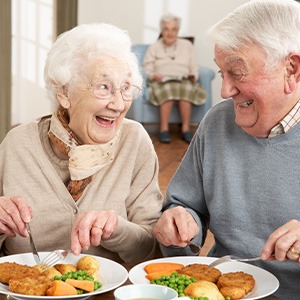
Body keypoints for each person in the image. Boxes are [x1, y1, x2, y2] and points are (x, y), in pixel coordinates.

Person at [152, 0, 300, 298]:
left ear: (292, 69)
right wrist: (179, 222)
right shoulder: (218, 121)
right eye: (222, 73)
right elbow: (185, 204)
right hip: (219, 290)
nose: (224, 91)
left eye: (237, 72)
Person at [0, 23, 164, 264]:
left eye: (126, 88)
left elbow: (151, 249)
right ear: (64, 93)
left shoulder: (134, 141)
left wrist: (117, 229)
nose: (118, 104)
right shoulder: (18, 144)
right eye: (103, 87)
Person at [143, 13, 206, 143]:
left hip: (183, 79)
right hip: (162, 81)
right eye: (166, 29)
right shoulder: (154, 47)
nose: (170, 33)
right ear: (162, 30)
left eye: (173, 29)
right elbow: (147, 68)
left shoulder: (187, 45)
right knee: (168, 90)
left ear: (178, 30)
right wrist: (154, 75)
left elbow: (194, 65)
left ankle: (186, 129)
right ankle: (164, 129)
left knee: (187, 89)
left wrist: (194, 75)